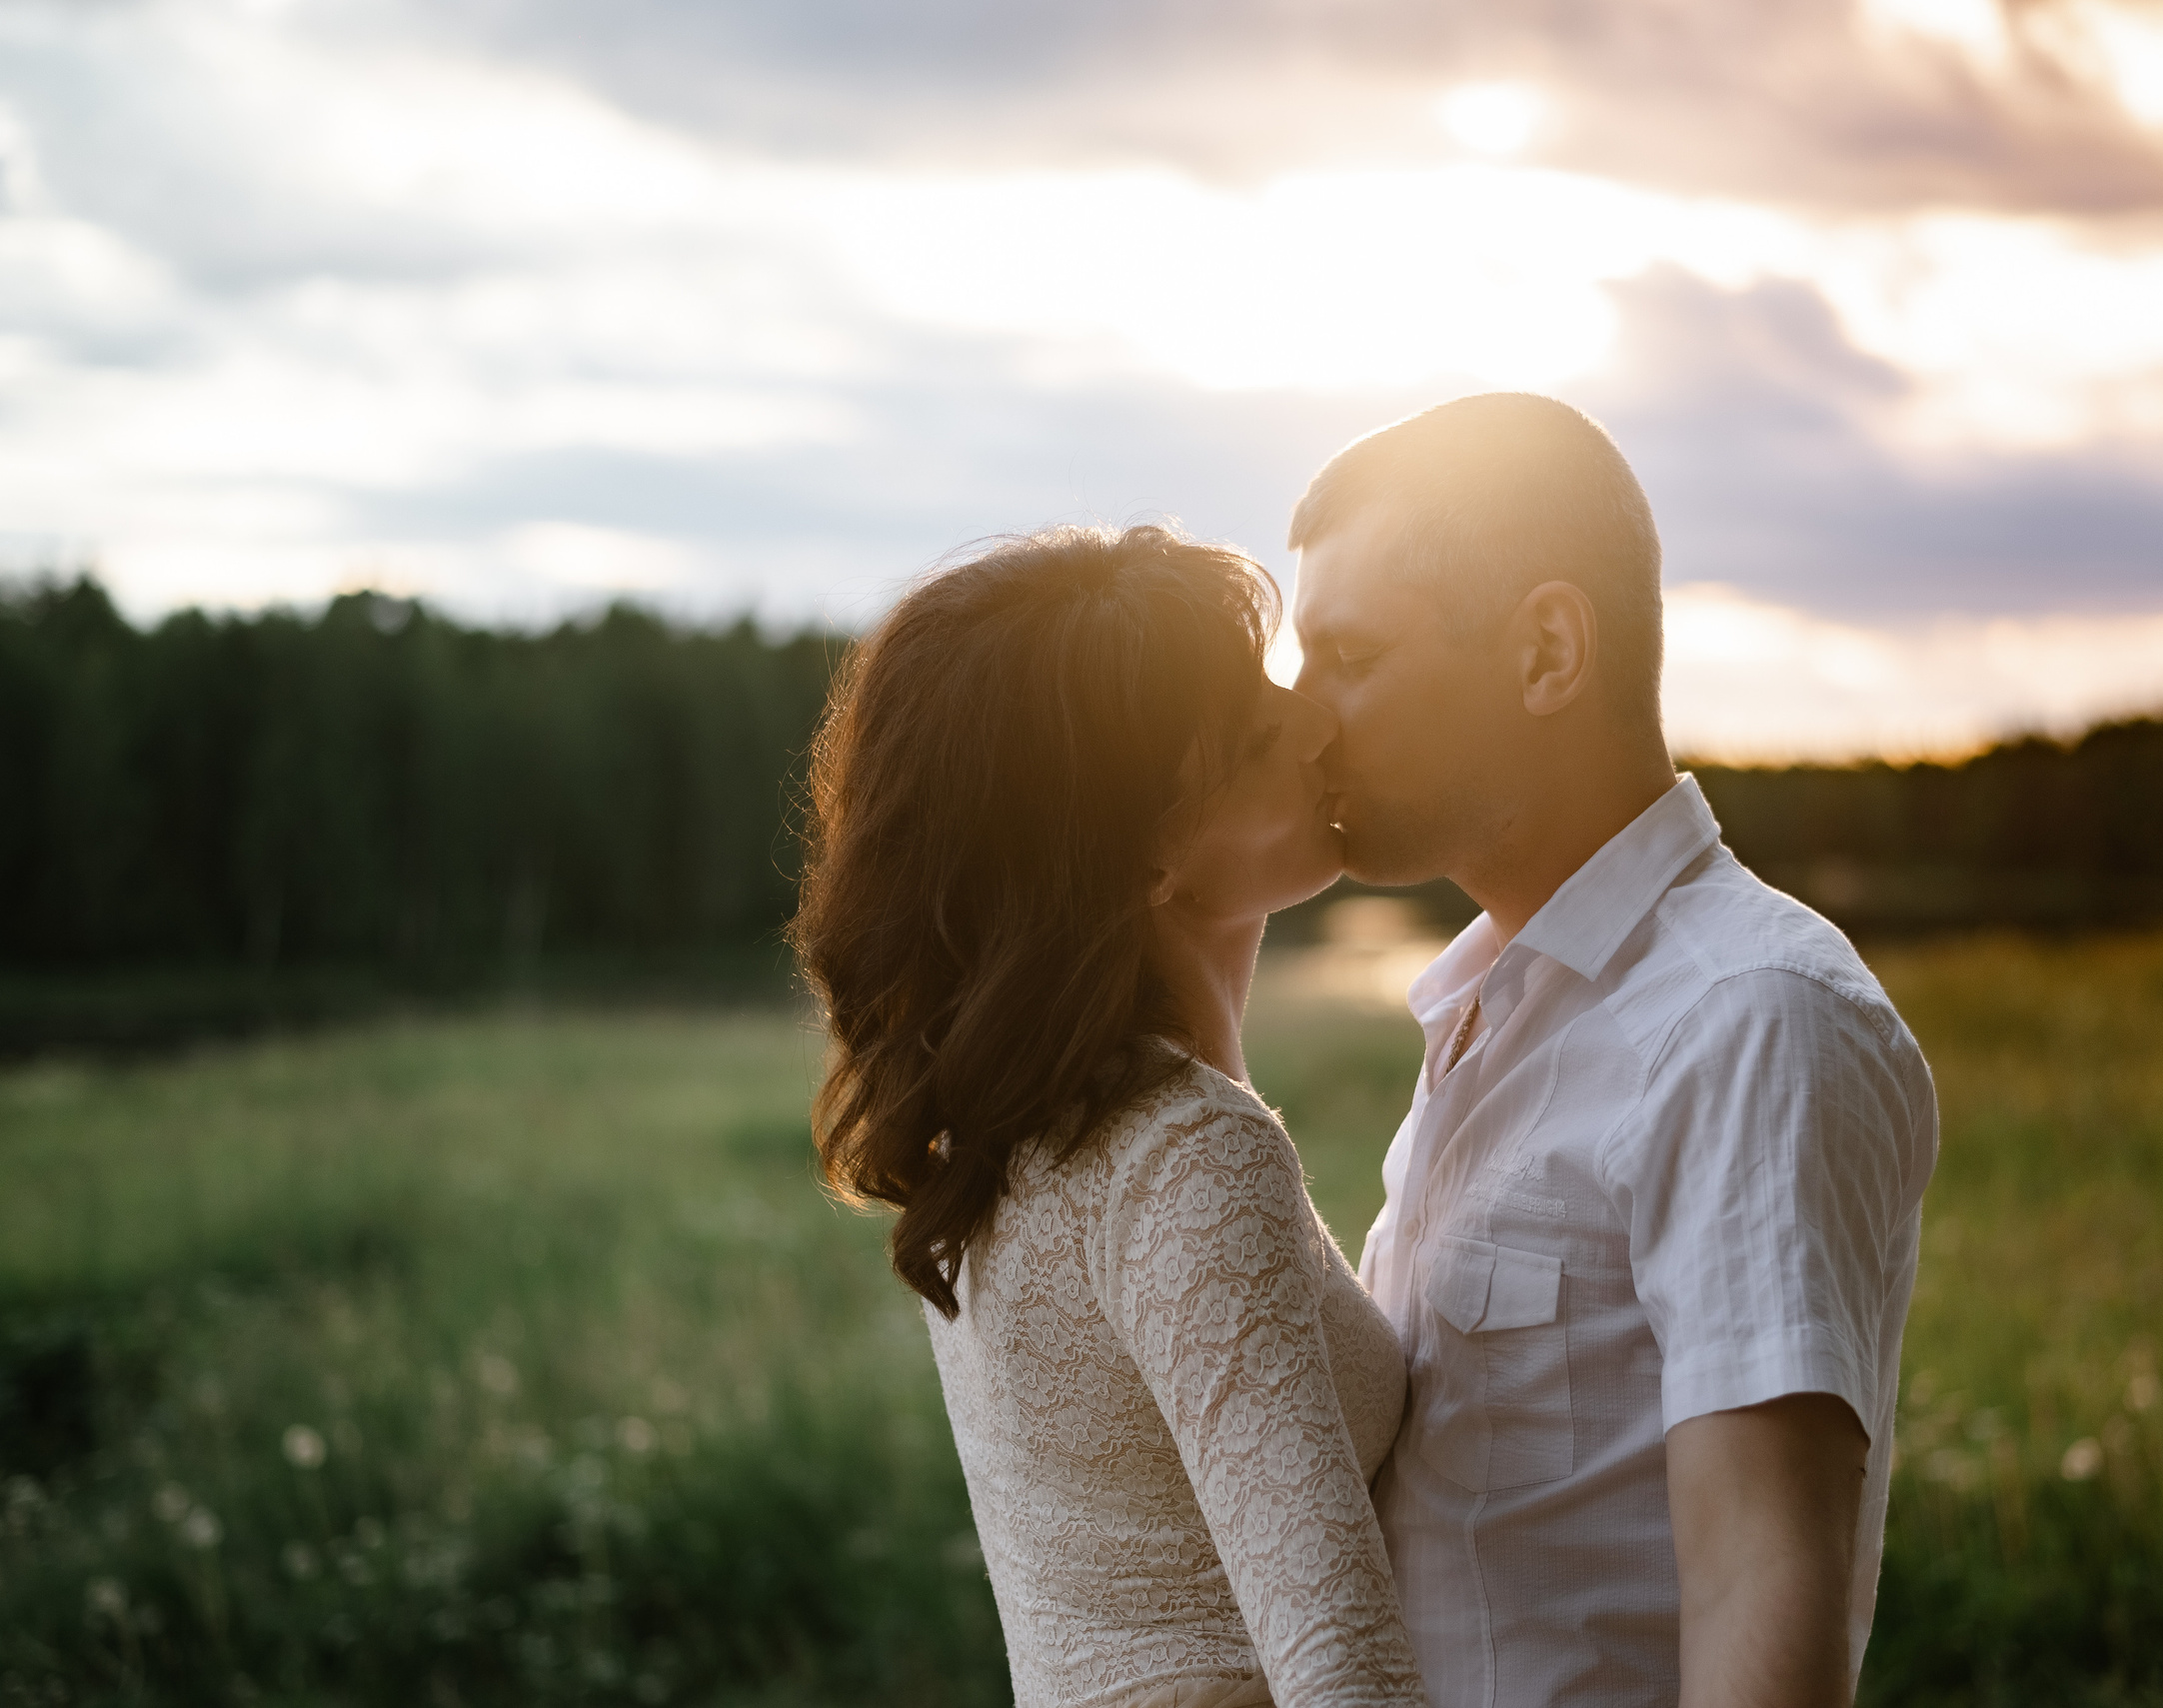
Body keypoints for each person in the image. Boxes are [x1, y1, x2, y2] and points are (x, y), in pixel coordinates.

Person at [1287, 394, 1938, 1708]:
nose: (1303, 720)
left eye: (1349, 654)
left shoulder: (1747, 1017)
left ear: (1545, 651)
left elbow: (1761, 1588)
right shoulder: (1489, 1014)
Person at [792, 526, 1424, 1708]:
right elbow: (1346, 1670)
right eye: (1250, 736)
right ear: (1141, 861)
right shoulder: (1189, 1157)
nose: (1314, 721)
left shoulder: (1007, 1144)